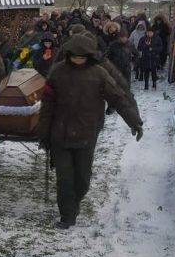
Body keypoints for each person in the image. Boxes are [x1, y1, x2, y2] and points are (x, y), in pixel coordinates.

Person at [38, 34, 143, 229]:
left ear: (89, 56)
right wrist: (43, 134)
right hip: (60, 135)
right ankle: (67, 216)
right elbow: (47, 107)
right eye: (74, 56)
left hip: (86, 135)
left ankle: (74, 203)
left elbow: (118, 98)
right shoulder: (57, 73)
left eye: (82, 56)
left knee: (83, 180)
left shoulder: (99, 74)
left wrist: (134, 121)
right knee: (65, 178)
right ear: (68, 54)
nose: (78, 59)